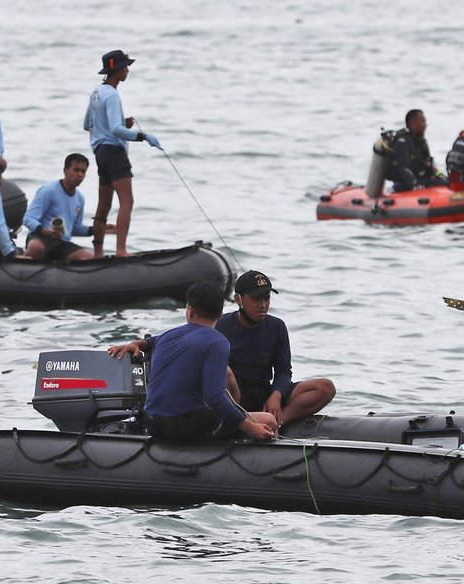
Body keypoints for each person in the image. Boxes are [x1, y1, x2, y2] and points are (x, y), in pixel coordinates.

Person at [108, 281, 277, 442]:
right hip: (185, 426)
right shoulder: (217, 342)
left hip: (152, 423)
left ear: (190, 311)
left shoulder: (168, 336)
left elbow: (150, 342)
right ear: (220, 314)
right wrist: (249, 427)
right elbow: (215, 396)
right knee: (268, 420)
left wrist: (136, 343)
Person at [216, 270, 336, 427]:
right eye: (256, 299)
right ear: (238, 299)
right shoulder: (222, 326)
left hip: (265, 393)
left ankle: (277, 423)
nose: (263, 305)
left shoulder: (277, 326)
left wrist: (276, 395)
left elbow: (283, 371)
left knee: (325, 388)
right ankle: (244, 422)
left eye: (267, 299)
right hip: (235, 396)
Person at [83, 50, 162, 258]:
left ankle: (98, 253)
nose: (127, 70)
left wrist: (118, 122)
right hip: (114, 152)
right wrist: (143, 136)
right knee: (127, 201)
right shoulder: (112, 95)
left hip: (100, 152)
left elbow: (87, 125)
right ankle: (121, 250)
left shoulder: (97, 93)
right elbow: (116, 131)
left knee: (104, 204)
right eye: (125, 67)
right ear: (116, 70)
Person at [22, 153, 112, 261]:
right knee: (36, 247)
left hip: (62, 243)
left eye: (83, 171)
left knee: (87, 256)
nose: (80, 175)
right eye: (76, 170)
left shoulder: (80, 198)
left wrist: (97, 230)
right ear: (65, 171)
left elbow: (74, 228)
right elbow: (28, 218)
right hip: (40, 237)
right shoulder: (48, 190)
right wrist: (45, 230)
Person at [386, 109, 447, 192]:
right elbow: (402, 168)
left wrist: (441, 176)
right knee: (436, 182)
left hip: (421, 178)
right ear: (412, 124)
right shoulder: (402, 142)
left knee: (444, 182)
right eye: (422, 122)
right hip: (404, 183)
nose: (425, 125)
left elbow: (428, 164)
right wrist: (414, 184)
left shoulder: (420, 141)